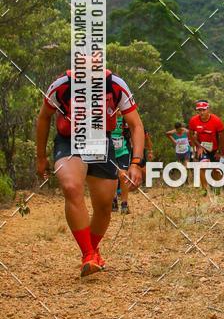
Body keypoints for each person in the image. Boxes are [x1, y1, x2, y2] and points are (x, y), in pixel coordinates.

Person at [36, 68, 145, 276]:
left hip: (100, 141)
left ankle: (93, 250)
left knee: (104, 205)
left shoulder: (115, 85)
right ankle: (87, 255)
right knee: (71, 186)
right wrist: (41, 157)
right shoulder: (61, 85)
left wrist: (136, 162)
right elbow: (44, 117)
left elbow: (135, 125)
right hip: (69, 141)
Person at [188, 101, 224, 193]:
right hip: (203, 148)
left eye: (204, 110)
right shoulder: (193, 120)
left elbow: (222, 137)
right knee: (202, 166)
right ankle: (204, 190)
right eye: (199, 110)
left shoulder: (217, 120)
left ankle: (216, 188)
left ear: (208, 109)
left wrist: (220, 152)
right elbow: (190, 134)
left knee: (215, 169)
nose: (201, 112)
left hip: (215, 148)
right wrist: (198, 146)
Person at [111, 111, 131, 214]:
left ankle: (124, 204)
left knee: (123, 176)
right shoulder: (107, 117)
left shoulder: (126, 119)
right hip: (110, 152)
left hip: (123, 151)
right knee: (112, 177)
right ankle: (113, 200)